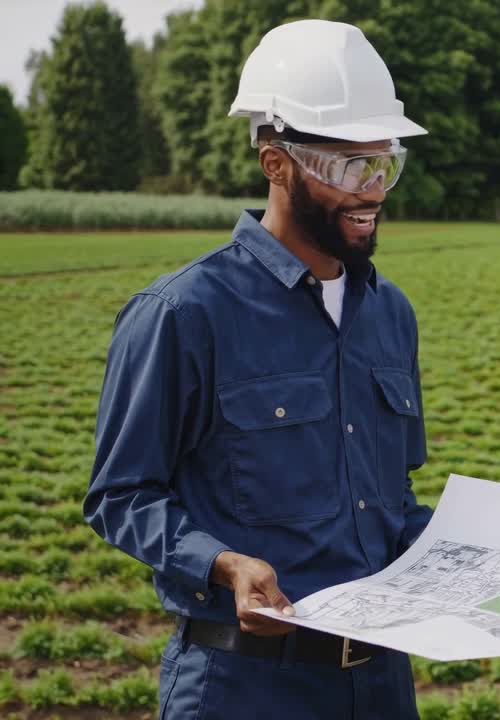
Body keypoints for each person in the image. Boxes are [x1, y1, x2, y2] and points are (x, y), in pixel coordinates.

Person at [84, 20, 430, 719]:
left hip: (381, 684)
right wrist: (222, 562)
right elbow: (120, 495)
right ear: (277, 164)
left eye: (383, 163)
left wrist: (479, 550)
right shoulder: (184, 312)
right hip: (243, 687)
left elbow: (393, 503)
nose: (371, 191)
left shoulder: (390, 312)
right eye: (345, 166)